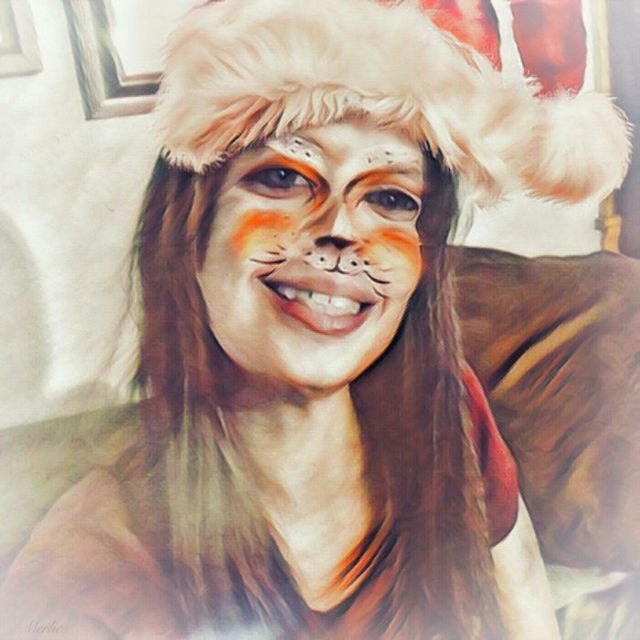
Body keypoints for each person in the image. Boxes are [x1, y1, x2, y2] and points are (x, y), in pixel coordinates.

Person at [0, 0, 630, 638]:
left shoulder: (445, 408)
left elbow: (523, 605)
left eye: (391, 196)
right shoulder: (82, 582)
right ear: (189, 233)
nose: (341, 228)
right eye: (282, 177)